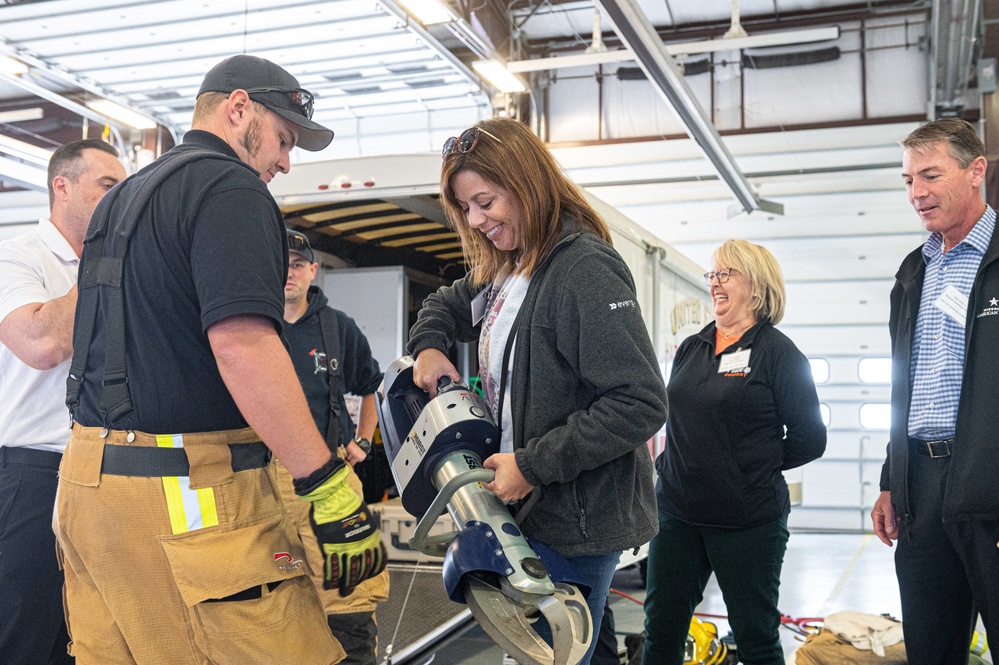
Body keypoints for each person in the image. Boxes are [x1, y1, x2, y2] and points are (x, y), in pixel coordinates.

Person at [55, 54, 385, 664]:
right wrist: (327, 482)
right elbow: (243, 347)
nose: (284, 162)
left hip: (86, 487)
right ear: (238, 109)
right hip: (184, 494)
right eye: (283, 139)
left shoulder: (121, 199)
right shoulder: (230, 187)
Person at [408, 116, 667, 665]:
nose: (477, 222)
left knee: (549, 654)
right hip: (529, 510)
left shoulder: (582, 269)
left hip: (574, 521)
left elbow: (639, 401)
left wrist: (532, 463)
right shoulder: (511, 266)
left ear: (525, 182)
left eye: (485, 202)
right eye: (467, 210)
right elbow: (445, 303)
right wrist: (429, 344)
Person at [643, 239, 826, 665]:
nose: (715, 282)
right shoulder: (693, 347)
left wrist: (750, 465)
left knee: (756, 637)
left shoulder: (780, 354)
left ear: (757, 287)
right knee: (661, 630)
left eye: (726, 274)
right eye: (713, 274)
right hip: (678, 515)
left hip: (747, 521)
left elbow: (809, 437)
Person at [870, 117, 999, 665]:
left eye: (930, 175)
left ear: (976, 171)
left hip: (990, 483)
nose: (917, 193)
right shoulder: (912, 271)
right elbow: (907, 384)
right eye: (907, 180)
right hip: (920, 488)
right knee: (930, 650)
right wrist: (889, 478)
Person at [0, 139, 125, 664]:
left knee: (82, 640)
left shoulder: (113, 267)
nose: (119, 199)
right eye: (107, 187)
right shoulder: (18, 256)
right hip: (34, 473)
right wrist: (104, 264)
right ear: (62, 186)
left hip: (104, 470)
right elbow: (40, 344)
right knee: (24, 634)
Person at [272, 228, 390, 665]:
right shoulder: (249, 325)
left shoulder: (337, 328)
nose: (289, 273)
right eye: (281, 264)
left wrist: (362, 440)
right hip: (261, 480)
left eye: (298, 265)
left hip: (332, 478)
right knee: (271, 594)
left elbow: (372, 387)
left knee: (349, 593)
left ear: (313, 271)